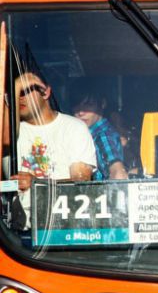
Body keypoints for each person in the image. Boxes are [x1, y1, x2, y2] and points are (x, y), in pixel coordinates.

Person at [12, 72, 97, 210]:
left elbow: (81, 182)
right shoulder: (9, 132)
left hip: (61, 225)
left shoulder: (73, 127)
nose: (19, 97)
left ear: (45, 93)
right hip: (17, 229)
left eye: (25, 91)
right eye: (15, 92)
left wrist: (37, 183)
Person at [72, 93, 128, 180]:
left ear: (102, 104)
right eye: (76, 105)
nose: (80, 112)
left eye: (88, 105)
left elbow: (118, 173)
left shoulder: (102, 136)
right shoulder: (91, 133)